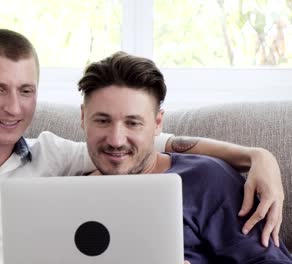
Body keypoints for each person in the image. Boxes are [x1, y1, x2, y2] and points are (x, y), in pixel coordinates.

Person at [0, 29, 284, 263]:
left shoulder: (62, 155)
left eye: (26, 91)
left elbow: (139, 148)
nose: (14, 108)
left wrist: (257, 157)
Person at [78, 51, 292, 263]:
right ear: (83, 118)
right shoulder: (67, 192)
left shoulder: (207, 180)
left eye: (133, 123)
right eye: (102, 121)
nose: (116, 140)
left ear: (158, 123)